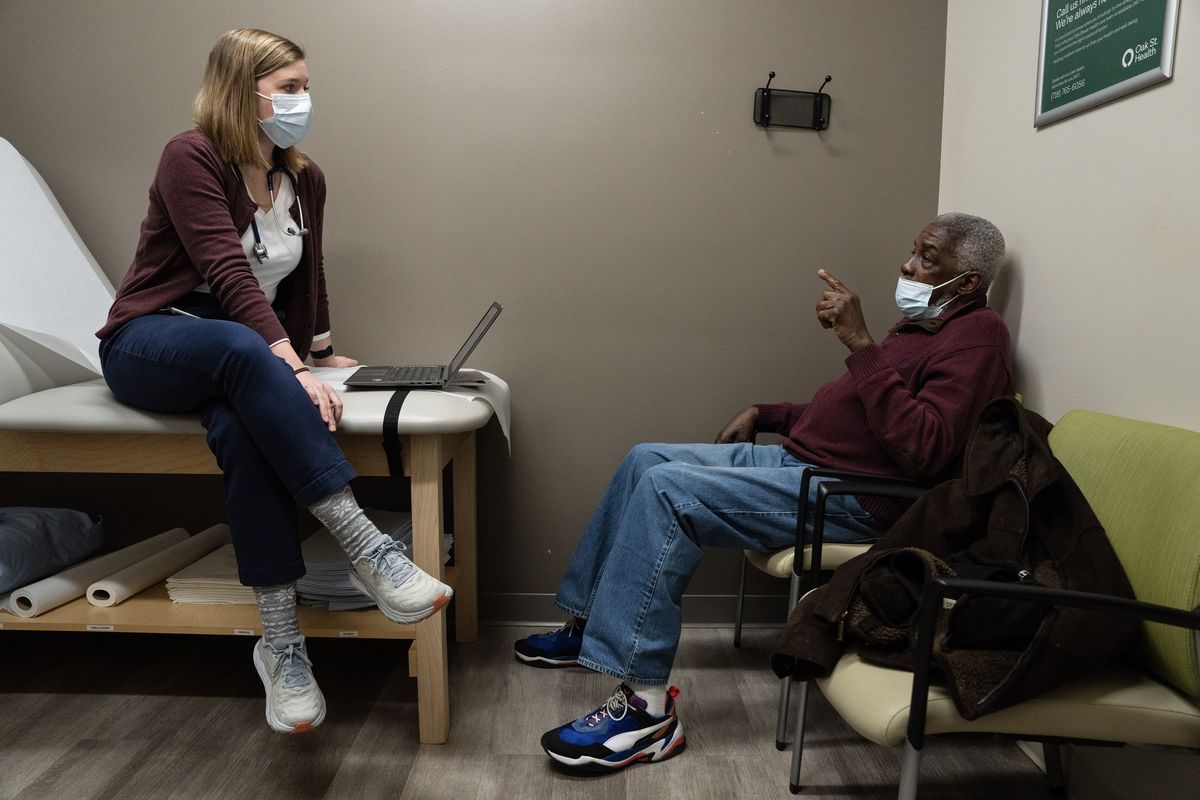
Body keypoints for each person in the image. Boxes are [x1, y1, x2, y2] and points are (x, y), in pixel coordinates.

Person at [515, 213, 1015, 772]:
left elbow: (926, 448)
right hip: (803, 462)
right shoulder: (920, 328)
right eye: (913, 251)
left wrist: (860, 342)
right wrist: (769, 412)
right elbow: (853, 416)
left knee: (667, 490)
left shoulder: (978, 340)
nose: (908, 264)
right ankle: (591, 627)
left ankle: (646, 713)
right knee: (645, 457)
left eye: (927, 256)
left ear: (967, 282)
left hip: (855, 498)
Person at [95, 28, 452, 734]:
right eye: (288, 88)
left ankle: (281, 645)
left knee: (241, 428)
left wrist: (318, 349)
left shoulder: (302, 177)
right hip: (151, 339)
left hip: (243, 351)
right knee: (236, 348)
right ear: (240, 90)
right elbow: (227, 274)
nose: (303, 100)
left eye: (304, 86)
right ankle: (369, 552)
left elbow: (306, 273)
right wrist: (288, 367)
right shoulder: (189, 157)